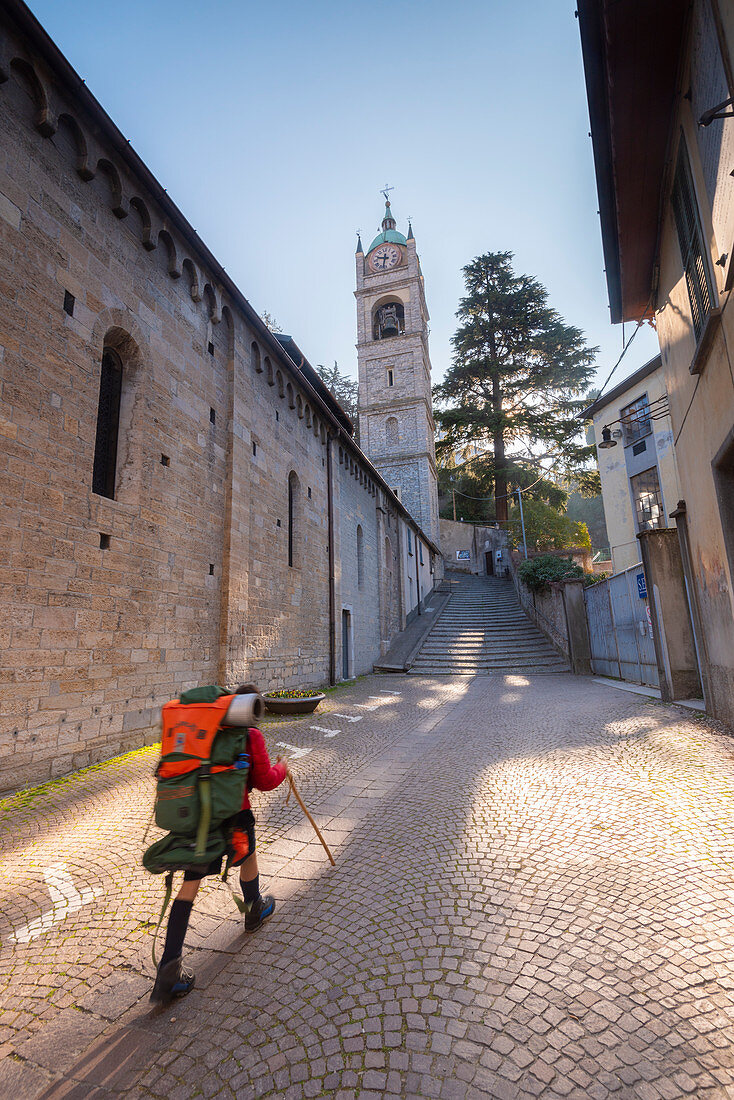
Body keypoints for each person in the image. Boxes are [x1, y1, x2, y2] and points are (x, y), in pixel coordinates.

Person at [150, 683, 289, 1004]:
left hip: (198, 821)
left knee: (189, 887)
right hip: (235, 819)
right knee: (248, 857)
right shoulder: (249, 734)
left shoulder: (199, 729)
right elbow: (265, 780)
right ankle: (254, 909)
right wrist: (284, 767)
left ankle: (169, 969)